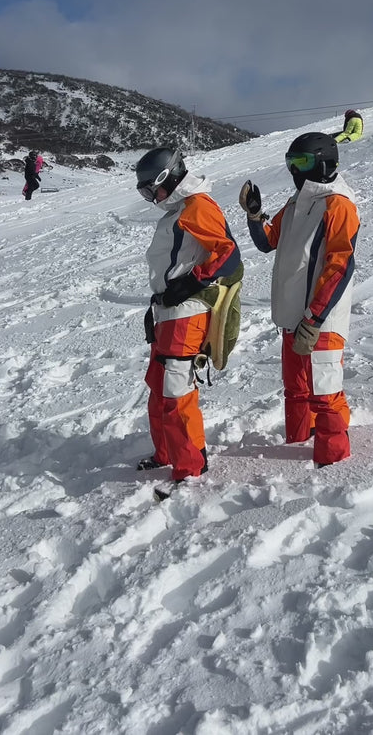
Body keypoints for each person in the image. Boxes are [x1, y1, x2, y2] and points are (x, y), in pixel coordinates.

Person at [239, 132, 360, 467]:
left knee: (325, 394)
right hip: (294, 319)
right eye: (291, 162)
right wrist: (254, 215)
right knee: (296, 392)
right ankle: (296, 447)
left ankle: (333, 463)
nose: (295, 170)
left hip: (321, 321)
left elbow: (340, 266)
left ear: (324, 162)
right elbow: (269, 240)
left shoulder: (338, 205)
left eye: (303, 162)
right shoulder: (297, 202)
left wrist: (316, 318)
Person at [135, 146, 242, 482]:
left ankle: (191, 465)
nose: (152, 197)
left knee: (176, 388)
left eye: (152, 189)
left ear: (170, 176)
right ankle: (166, 453)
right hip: (169, 310)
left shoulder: (197, 205)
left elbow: (229, 254)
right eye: (145, 192)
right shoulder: (179, 207)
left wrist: (192, 283)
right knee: (159, 385)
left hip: (187, 311)